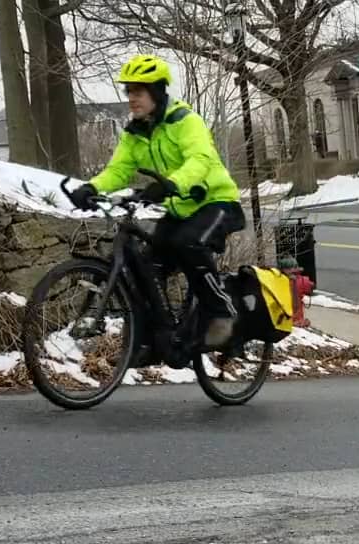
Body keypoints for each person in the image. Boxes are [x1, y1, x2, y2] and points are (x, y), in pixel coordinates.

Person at [68, 54, 246, 348]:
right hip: (179, 209)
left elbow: (199, 159)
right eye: (129, 91)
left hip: (216, 202)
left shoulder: (185, 121)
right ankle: (156, 342)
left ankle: (222, 313)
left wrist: (172, 183)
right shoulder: (134, 133)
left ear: (157, 92)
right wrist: (90, 187)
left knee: (188, 243)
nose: (131, 98)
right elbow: (119, 170)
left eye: (138, 91)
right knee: (148, 269)